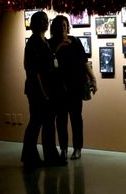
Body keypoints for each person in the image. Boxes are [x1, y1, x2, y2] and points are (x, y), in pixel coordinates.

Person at [48, 15, 97, 161]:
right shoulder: (50, 44)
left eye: (65, 24)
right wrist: (59, 47)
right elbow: (48, 62)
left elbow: (84, 62)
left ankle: (77, 148)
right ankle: (63, 148)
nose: (64, 27)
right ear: (55, 27)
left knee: (76, 119)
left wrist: (93, 79)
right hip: (59, 87)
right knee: (61, 120)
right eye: (61, 25)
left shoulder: (75, 41)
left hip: (75, 86)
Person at [21, 11, 63, 167]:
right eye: (43, 20)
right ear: (36, 23)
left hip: (46, 89)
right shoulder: (33, 43)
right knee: (36, 122)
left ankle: (49, 155)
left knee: (47, 123)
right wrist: (43, 92)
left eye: (47, 20)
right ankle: (30, 156)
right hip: (38, 90)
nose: (46, 23)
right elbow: (33, 70)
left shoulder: (43, 41)